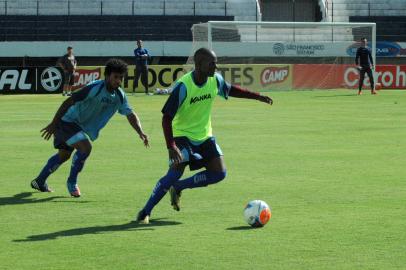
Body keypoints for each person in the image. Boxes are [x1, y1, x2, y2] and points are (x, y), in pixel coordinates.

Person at [135, 48, 273, 224]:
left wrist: (257, 97)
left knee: (219, 173)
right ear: (199, 65)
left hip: (205, 136)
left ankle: (179, 187)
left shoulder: (215, 80)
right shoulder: (184, 86)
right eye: (212, 63)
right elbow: (166, 118)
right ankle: (146, 211)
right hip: (181, 137)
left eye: (216, 63)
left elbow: (232, 90)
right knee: (174, 173)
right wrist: (171, 146)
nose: (216, 67)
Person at [30, 59, 149, 197]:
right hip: (67, 121)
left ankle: (39, 181)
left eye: (121, 78)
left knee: (63, 156)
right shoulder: (95, 88)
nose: (118, 81)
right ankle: (72, 182)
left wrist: (141, 132)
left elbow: (130, 114)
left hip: (77, 126)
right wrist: (54, 123)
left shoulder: (119, 96)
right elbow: (68, 101)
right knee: (85, 148)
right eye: (115, 77)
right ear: (107, 76)